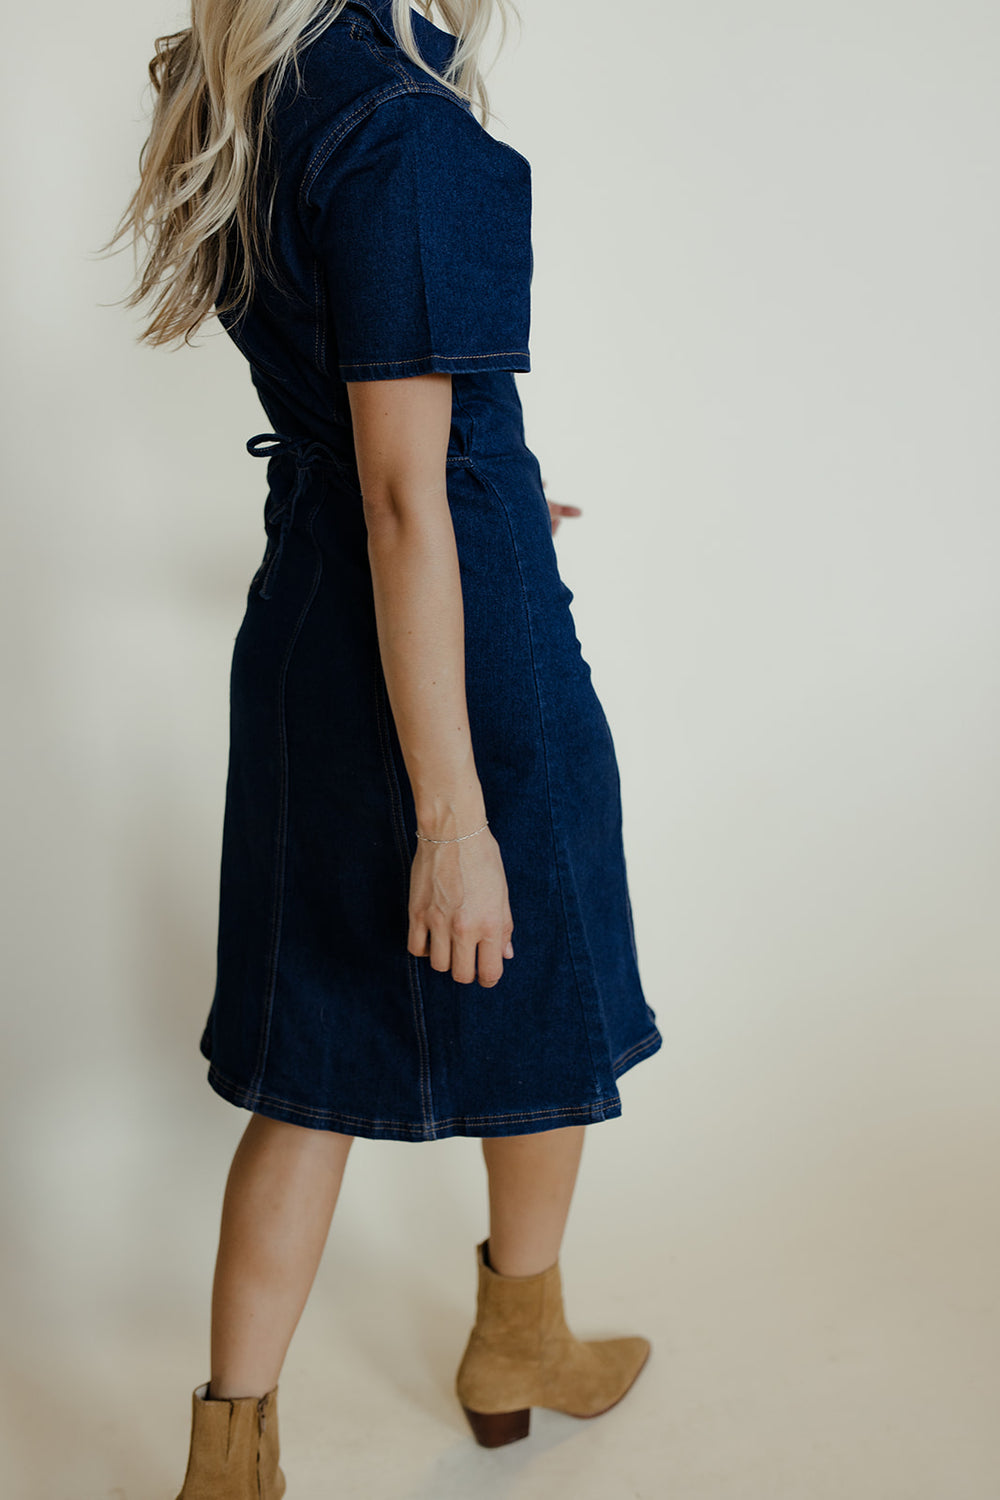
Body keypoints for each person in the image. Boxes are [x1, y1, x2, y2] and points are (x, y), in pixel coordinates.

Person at [107, 0, 663, 1492]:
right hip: (456, 637)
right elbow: (407, 495)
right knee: (547, 979)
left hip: (318, 605)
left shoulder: (264, 83)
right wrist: (452, 819)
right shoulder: (410, 130)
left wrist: (486, 487)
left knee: (314, 1050)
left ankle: (236, 1453)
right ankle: (520, 1338)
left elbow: (378, 440)